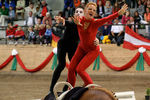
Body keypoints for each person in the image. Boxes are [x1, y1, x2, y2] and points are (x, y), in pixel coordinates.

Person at [44, 6, 99, 100]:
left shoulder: (87, 24)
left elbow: (92, 34)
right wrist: (62, 20)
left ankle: (65, 90)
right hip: (63, 44)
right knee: (61, 65)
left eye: (80, 12)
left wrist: (97, 40)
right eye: (76, 11)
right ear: (74, 15)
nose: (78, 13)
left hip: (73, 47)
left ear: (85, 14)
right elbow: (68, 23)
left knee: (74, 69)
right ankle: (51, 90)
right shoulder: (73, 22)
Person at [68, 2, 128, 87]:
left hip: (92, 50)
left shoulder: (95, 22)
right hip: (81, 48)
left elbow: (107, 18)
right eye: (90, 9)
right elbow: (73, 23)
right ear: (85, 10)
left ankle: (92, 88)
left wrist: (118, 13)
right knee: (71, 68)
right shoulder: (79, 20)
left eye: (94, 10)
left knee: (80, 70)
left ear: (95, 13)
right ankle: (70, 89)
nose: (91, 11)